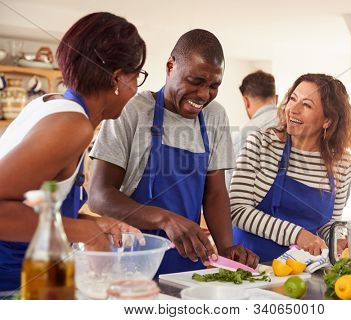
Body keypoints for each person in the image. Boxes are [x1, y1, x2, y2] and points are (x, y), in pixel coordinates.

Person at [88, 29, 259, 276]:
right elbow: (99, 196)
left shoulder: (214, 116)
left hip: (187, 266)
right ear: (170, 66)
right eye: (196, 81)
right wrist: (165, 219)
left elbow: (215, 194)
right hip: (132, 262)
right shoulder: (132, 110)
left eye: (214, 85)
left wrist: (226, 248)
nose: (203, 95)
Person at [0, 12, 146, 295]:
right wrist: (84, 232)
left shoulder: (50, 105)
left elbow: (30, 204)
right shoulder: (74, 126)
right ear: (117, 78)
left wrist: (95, 223)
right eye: (136, 76)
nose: (135, 89)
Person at [230, 73, 351, 262]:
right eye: (292, 99)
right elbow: (237, 209)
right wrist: (298, 235)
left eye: (306, 105)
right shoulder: (261, 144)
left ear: (327, 120)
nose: (293, 109)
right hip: (251, 266)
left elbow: (329, 224)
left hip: (302, 270)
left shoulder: (342, 163)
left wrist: (336, 241)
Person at [226, 70, 278, 188]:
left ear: (246, 101)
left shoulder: (243, 136)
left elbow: (230, 186)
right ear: (276, 98)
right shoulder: (293, 125)